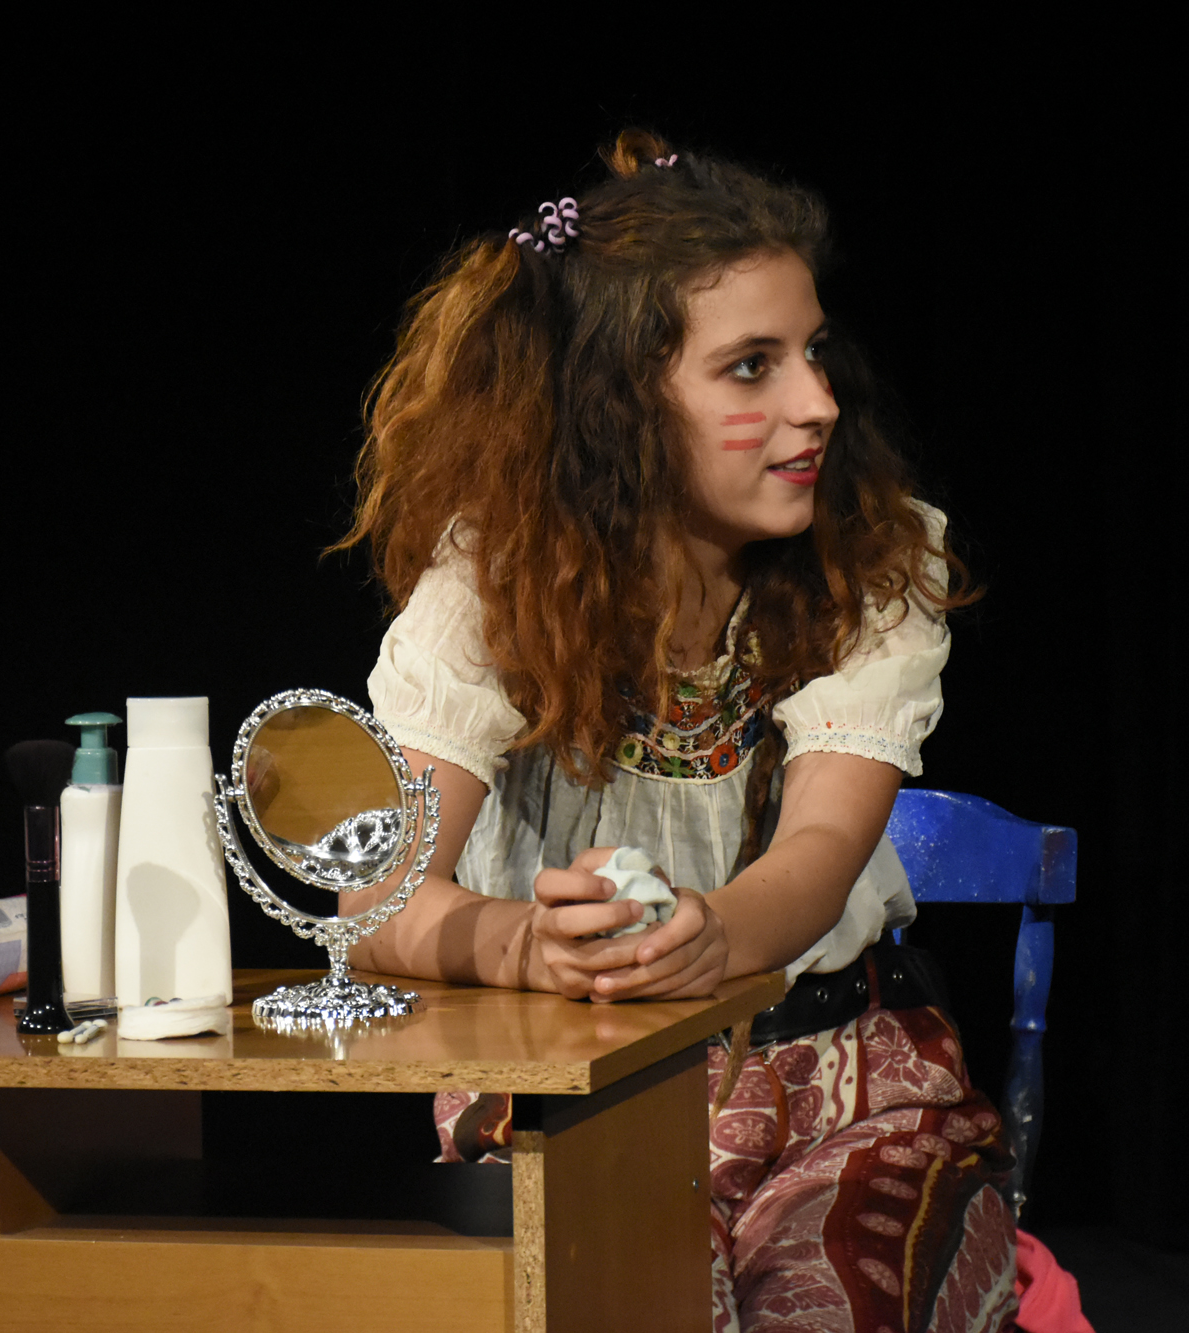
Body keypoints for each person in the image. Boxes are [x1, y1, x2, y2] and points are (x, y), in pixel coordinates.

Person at [336, 128, 1019, 1332]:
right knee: (622, 1298)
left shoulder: (871, 563)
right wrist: (526, 945)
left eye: (811, 353)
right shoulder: (490, 590)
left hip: (840, 1087)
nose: (816, 403)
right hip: (570, 1092)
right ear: (617, 406)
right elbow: (375, 901)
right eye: (751, 367)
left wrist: (713, 938)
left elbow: (818, 855)